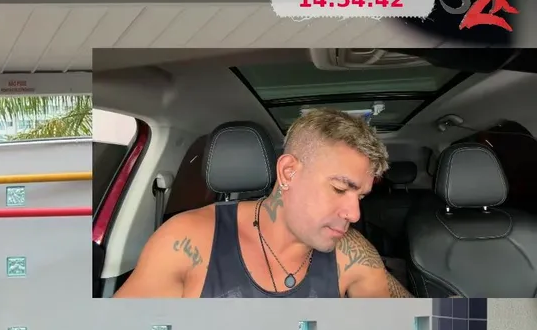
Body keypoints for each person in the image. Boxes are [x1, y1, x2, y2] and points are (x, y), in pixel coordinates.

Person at [114, 108, 413, 298]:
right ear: (288, 172)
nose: (354, 213)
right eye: (339, 189)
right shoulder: (185, 241)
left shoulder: (353, 253)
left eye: (360, 196)